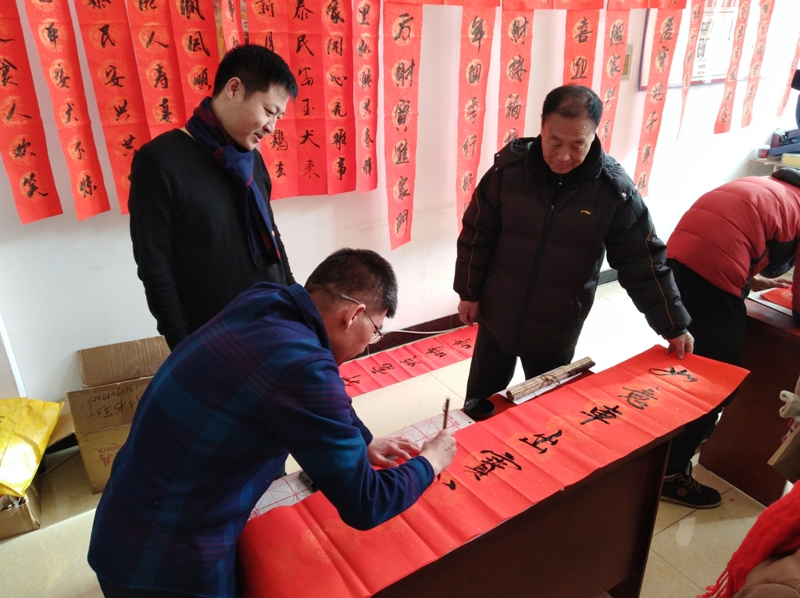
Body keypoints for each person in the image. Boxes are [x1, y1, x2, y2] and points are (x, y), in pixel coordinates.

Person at [88, 248, 457, 598]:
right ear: (353, 315)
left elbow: (318, 397)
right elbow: (366, 502)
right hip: (165, 563)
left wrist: (363, 440)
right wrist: (429, 462)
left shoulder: (264, 300)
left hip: (123, 520)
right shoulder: (302, 366)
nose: (368, 345)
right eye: (375, 330)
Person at [453, 84, 693, 414]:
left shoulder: (613, 191)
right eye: (555, 141)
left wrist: (673, 324)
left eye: (577, 144)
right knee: (479, 405)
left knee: (544, 411)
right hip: (499, 312)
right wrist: (468, 292)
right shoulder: (507, 173)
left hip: (557, 324)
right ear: (542, 126)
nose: (563, 156)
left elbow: (642, 260)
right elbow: (477, 235)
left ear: (595, 135)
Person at [129, 44, 298, 350]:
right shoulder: (160, 161)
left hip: (273, 322)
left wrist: (295, 299)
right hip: (214, 340)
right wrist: (182, 346)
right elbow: (155, 268)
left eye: (279, 116)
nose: (272, 127)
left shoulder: (252, 161)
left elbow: (272, 237)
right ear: (234, 89)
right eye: (269, 111)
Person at [662, 169, 800, 508]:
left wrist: (750, 281)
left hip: (674, 261)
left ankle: (665, 448)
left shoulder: (766, 184)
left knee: (690, 363)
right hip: (711, 272)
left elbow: (733, 232)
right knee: (717, 382)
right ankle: (671, 474)